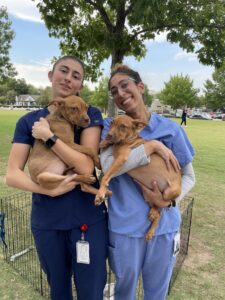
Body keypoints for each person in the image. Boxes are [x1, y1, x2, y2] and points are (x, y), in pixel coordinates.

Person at [6, 55, 108, 300]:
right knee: (58, 290)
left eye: (76, 76)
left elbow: (85, 168)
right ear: (51, 76)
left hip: (87, 220)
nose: (69, 78)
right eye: (63, 71)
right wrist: (47, 190)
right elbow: (12, 174)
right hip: (47, 221)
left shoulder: (89, 115)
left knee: (91, 291)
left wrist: (50, 137)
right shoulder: (30, 121)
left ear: (80, 86)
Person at [100, 64, 196, 300]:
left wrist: (168, 202)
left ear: (140, 87)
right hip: (125, 228)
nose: (120, 94)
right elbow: (106, 167)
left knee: (156, 293)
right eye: (114, 91)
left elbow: (189, 176)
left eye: (125, 85)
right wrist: (151, 147)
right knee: (124, 293)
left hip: (164, 228)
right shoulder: (109, 126)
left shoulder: (170, 130)